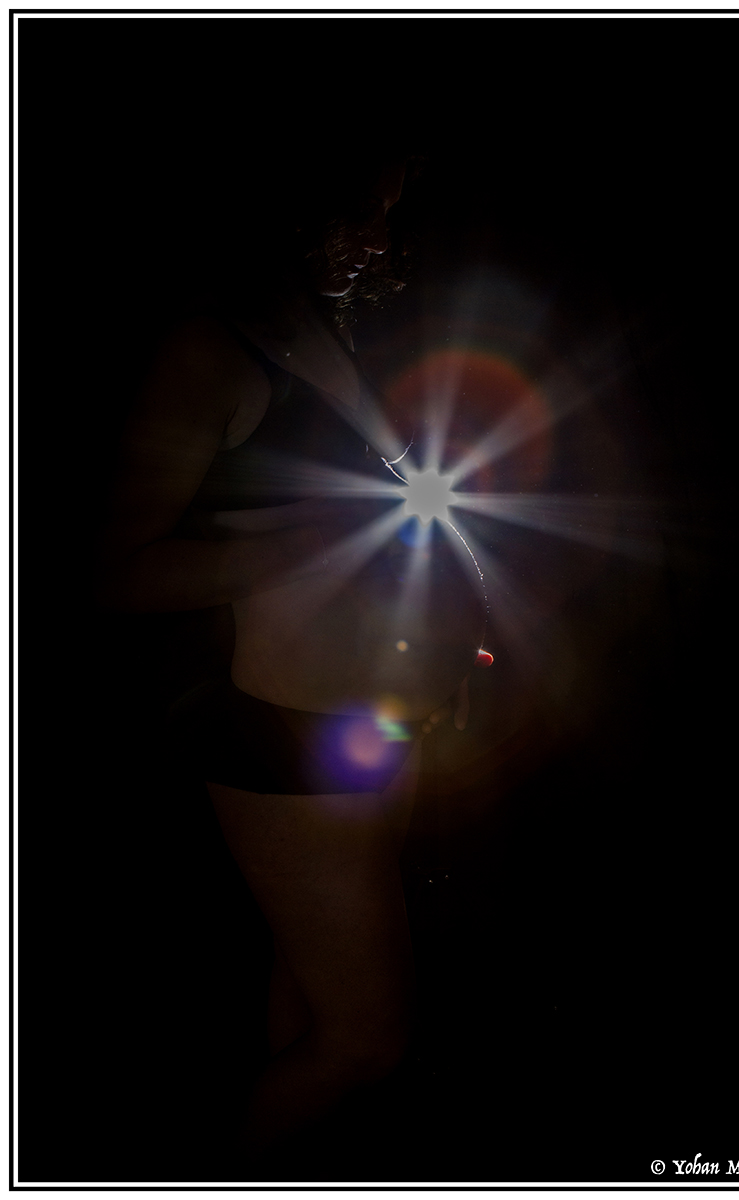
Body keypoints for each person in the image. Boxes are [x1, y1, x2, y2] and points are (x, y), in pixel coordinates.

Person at [99, 145, 489, 1170]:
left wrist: (451, 638)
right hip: (283, 736)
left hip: (374, 722)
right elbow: (109, 574)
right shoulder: (208, 351)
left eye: (389, 210)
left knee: (311, 997)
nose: (374, 239)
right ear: (279, 198)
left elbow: (406, 502)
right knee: (367, 1040)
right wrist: (302, 545)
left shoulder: (326, 329)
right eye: (355, 208)